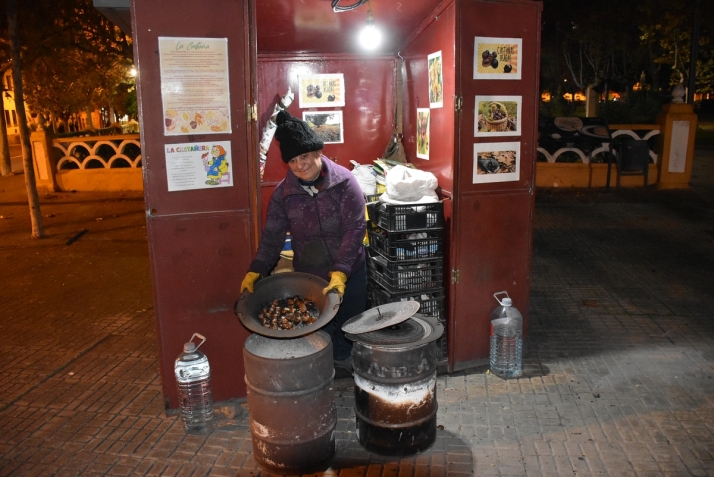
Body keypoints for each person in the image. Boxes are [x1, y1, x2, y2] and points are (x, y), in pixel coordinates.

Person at [240, 110, 367, 371]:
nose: (300, 165)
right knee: (318, 332)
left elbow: (355, 230)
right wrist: (256, 270)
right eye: (293, 160)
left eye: (305, 156)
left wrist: (341, 272)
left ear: (318, 152)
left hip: (350, 272)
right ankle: (322, 376)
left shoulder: (345, 183)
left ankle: (347, 368)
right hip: (311, 278)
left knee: (349, 327)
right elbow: (272, 237)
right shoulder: (284, 195)